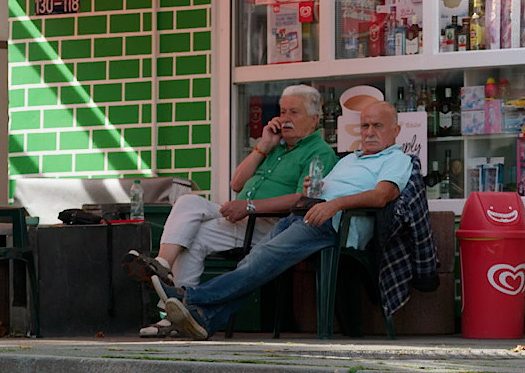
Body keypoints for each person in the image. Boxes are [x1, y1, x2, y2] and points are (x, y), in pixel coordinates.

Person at [155, 100, 412, 340]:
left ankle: (189, 296)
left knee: (261, 257)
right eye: (365, 125)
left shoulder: (397, 159)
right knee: (255, 260)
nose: (369, 132)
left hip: (334, 225)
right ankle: (205, 319)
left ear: (396, 130)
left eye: (377, 126)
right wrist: (317, 188)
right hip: (306, 213)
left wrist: (333, 204)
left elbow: (382, 196)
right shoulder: (351, 159)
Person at [135, 84, 337, 337]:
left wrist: (250, 207)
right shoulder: (274, 146)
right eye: (283, 112)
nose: (285, 118)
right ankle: (164, 269)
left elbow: (301, 199)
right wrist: (263, 145)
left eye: (294, 113)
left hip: (270, 226)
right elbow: (236, 184)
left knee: (194, 236)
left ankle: (179, 308)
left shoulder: (320, 153)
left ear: (314, 119)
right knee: (188, 208)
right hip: (241, 220)